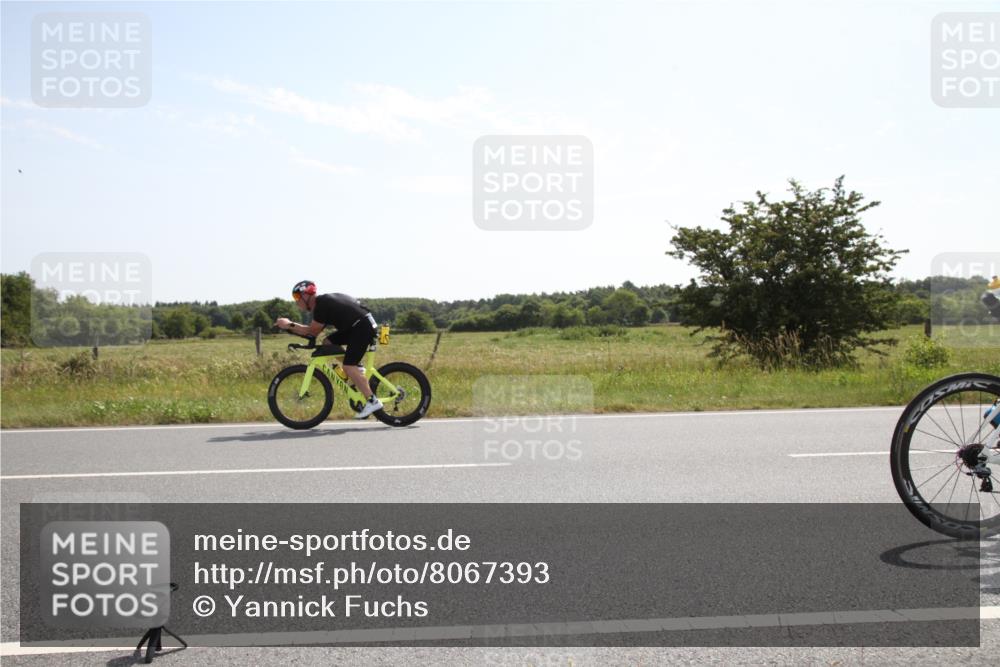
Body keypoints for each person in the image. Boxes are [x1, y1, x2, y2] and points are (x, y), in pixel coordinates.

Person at [274, 281, 383, 419]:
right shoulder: (323, 303)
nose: (296, 302)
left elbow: (311, 332)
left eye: (297, 297)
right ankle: (358, 370)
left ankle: (372, 401)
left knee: (348, 366)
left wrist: (289, 324)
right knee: (328, 342)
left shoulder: (321, 306)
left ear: (306, 295)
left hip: (361, 327)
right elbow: (315, 333)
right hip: (358, 325)